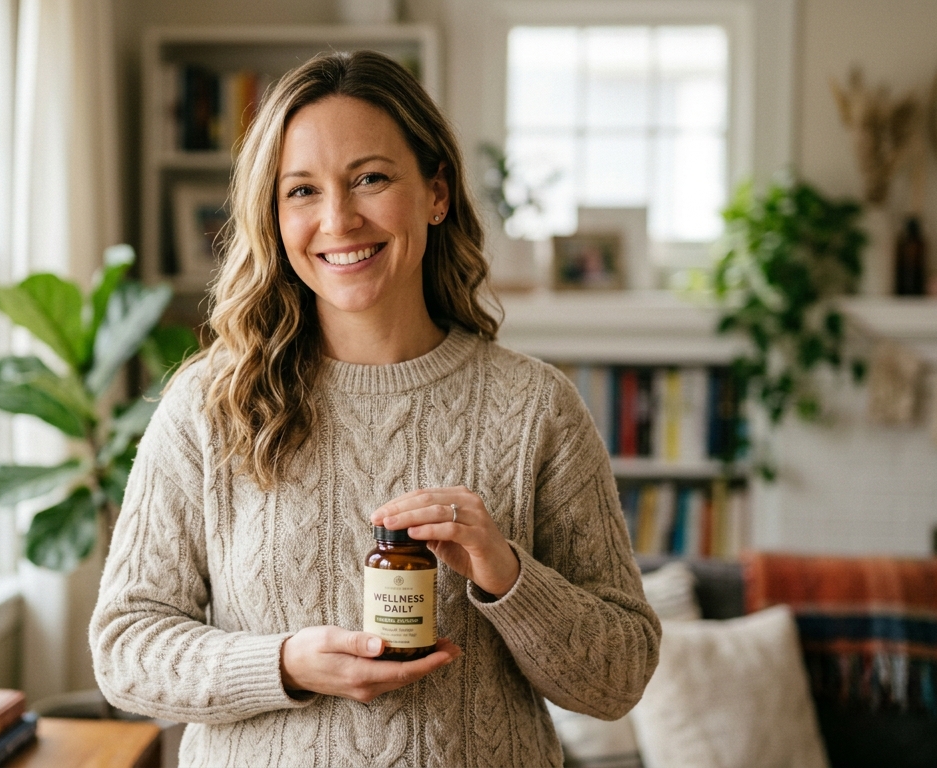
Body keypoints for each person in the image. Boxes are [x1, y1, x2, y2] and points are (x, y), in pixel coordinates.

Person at [90, 50, 660, 767]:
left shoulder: (535, 407)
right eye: (301, 191)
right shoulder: (211, 404)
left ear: (436, 193)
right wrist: (287, 663)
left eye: (371, 178)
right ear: (273, 214)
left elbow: (620, 678)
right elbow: (124, 649)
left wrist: (506, 570)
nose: (338, 219)